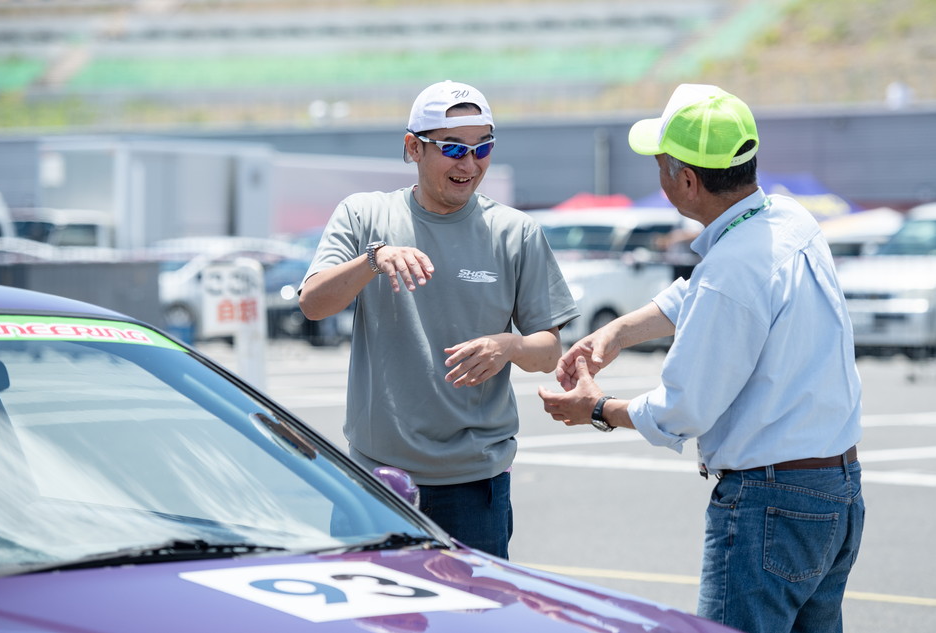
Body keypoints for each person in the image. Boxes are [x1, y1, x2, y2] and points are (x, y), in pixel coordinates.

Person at [538, 84, 864, 632]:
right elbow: (705, 294)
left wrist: (596, 408)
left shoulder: (731, 269)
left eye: (662, 164)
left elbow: (683, 410)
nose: (659, 176)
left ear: (685, 180)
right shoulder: (787, 219)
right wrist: (617, 332)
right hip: (837, 489)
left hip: (770, 502)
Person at [298, 80, 579, 559]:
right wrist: (373, 259)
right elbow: (313, 304)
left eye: (482, 148)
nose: (469, 165)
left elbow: (548, 351)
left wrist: (508, 346)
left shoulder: (515, 232)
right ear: (413, 148)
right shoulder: (366, 215)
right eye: (453, 149)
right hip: (376, 479)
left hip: (474, 485)